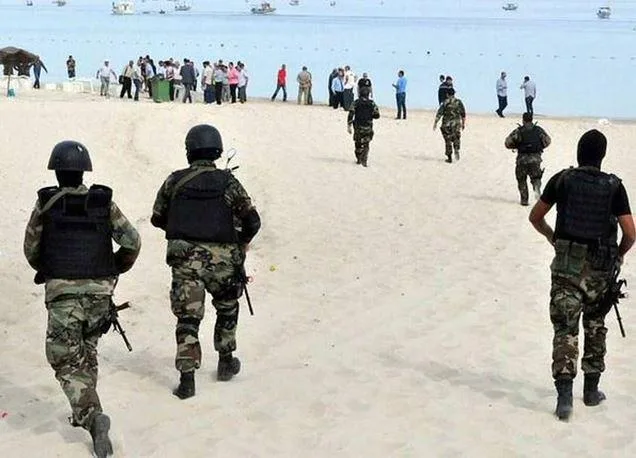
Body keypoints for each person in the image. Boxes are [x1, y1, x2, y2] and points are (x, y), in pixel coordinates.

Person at [23, 141, 141, 458]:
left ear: (57, 172)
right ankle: (84, 411)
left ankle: (92, 417)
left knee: (63, 358)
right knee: (87, 351)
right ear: (84, 171)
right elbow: (132, 241)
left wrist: (49, 269)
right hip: (101, 294)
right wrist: (115, 267)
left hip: (63, 295)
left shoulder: (46, 205)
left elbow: (31, 250)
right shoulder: (103, 203)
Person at [528, 129, 636, 421]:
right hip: (600, 271)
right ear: (602, 156)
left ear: (578, 152)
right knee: (595, 326)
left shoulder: (562, 180)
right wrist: (620, 254)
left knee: (565, 329)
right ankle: (590, 391)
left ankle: (564, 398)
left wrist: (553, 238)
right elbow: (630, 232)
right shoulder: (615, 187)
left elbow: (535, 216)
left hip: (566, 268)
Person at [151, 124, 261, 400]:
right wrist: (240, 243)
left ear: (189, 151)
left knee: (188, 319)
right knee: (226, 308)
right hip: (224, 260)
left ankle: (187, 380)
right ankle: (226, 361)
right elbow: (253, 220)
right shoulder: (229, 182)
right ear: (217, 150)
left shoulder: (174, 180)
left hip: (186, 262)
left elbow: (157, 217)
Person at [504, 112, 552, 205]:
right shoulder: (538, 130)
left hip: (522, 159)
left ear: (523, 120)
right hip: (535, 159)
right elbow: (548, 141)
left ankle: (524, 200)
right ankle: (537, 194)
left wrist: (516, 145)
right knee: (536, 178)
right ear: (532, 119)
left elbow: (507, 143)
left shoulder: (518, 131)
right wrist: (539, 146)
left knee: (521, 179)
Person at [347, 86, 380, 167]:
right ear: (368, 94)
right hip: (368, 126)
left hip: (358, 126)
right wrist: (371, 115)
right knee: (366, 143)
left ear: (359, 94)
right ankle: (364, 159)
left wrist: (349, 125)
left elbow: (351, 113)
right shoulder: (372, 103)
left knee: (358, 143)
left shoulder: (356, 102)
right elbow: (377, 115)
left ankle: (359, 159)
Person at [433, 88, 466, 163]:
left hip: (446, 124)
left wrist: (435, 123)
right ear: (454, 94)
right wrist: (463, 123)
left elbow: (439, 113)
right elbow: (463, 113)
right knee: (456, 137)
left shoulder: (445, 102)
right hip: (456, 123)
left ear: (447, 94)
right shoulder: (458, 102)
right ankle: (456, 149)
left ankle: (449, 157)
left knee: (448, 140)